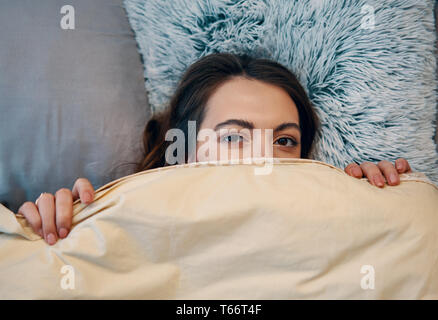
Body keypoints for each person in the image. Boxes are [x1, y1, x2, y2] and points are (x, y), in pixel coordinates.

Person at [17, 53, 413, 245]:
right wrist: (45, 233)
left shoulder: (332, 218)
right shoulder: (116, 223)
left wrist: (377, 206)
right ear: (185, 150)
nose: (265, 158)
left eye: (285, 140)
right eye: (233, 137)